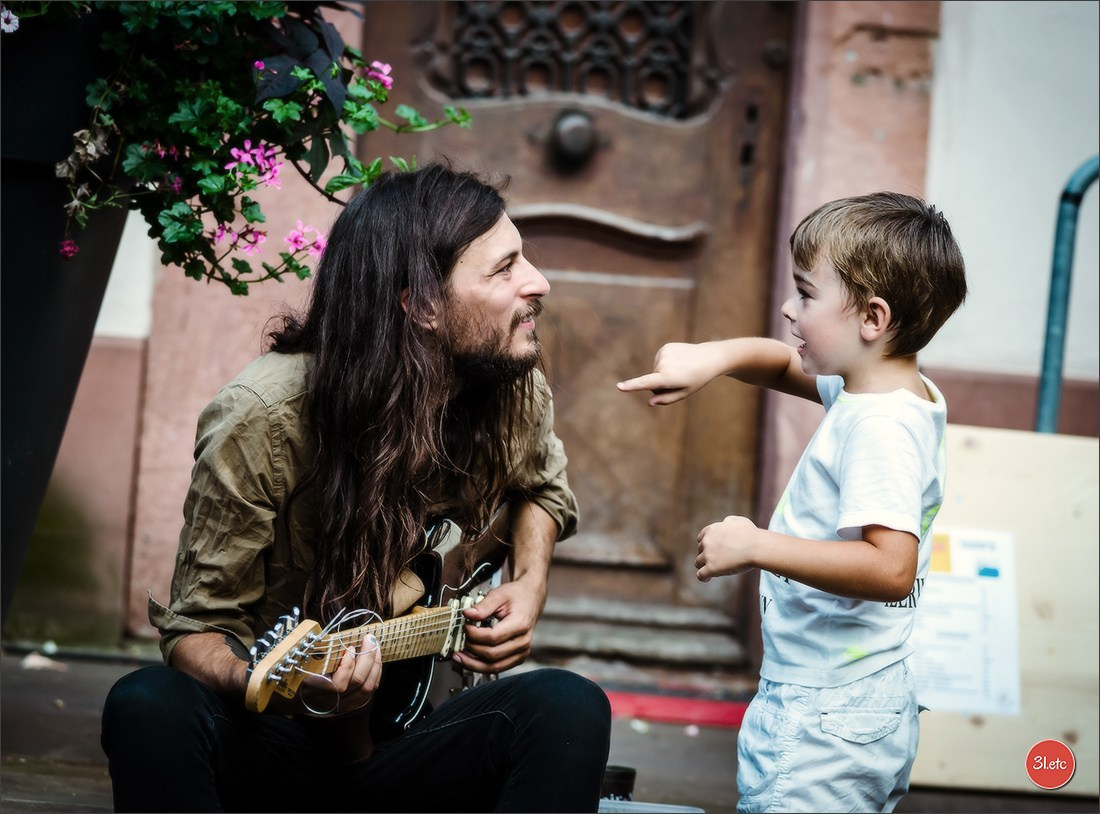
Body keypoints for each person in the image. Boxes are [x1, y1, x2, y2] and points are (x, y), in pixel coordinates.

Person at [101, 163, 612, 813]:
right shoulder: (262, 417)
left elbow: (543, 486)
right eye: (504, 269)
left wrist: (530, 582)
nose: (538, 282)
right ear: (420, 305)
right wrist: (265, 683)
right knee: (147, 704)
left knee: (568, 706)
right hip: (277, 742)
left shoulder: (509, 382)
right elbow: (197, 629)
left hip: (414, 742)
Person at [617, 192, 967, 813]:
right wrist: (712, 358)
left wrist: (757, 546)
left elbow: (890, 568)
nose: (788, 308)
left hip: (823, 712)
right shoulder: (882, 388)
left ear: (873, 318)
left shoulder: (879, 427)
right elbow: (782, 365)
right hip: (856, 692)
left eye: (806, 294)